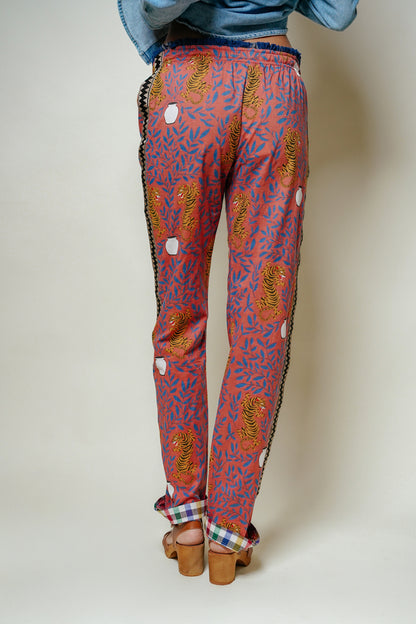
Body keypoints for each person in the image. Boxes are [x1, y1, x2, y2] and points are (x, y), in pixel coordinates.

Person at [117, 0, 360, 584]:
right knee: (261, 325)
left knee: (180, 316)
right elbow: (338, 12)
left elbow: (156, 6)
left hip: (190, 93)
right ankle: (227, 532)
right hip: (276, 96)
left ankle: (189, 525)